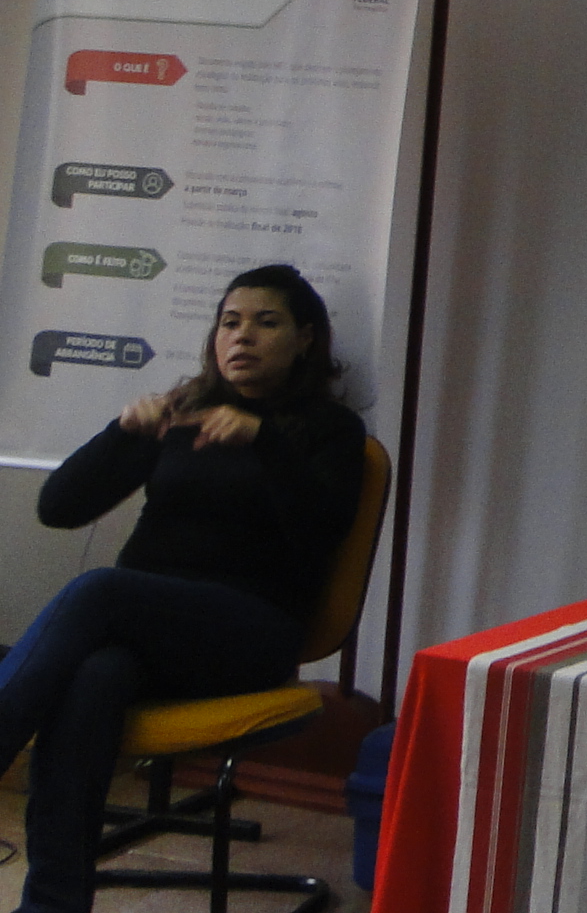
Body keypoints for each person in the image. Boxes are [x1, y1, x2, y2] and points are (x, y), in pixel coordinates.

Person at [0, 265, 364, 913]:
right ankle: (51, 904)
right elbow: (58, 508)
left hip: (251, 633)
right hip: (148, 631)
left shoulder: (329, 431)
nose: (242, 336)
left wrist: (265, 442)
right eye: (230, 322)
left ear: (305, 338)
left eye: (265, 322)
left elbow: (320, 535)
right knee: (95, 677)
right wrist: (122, 433)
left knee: (99, 591)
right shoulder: (186, 414)